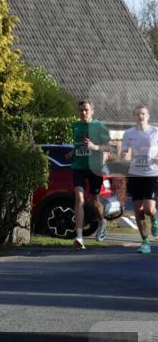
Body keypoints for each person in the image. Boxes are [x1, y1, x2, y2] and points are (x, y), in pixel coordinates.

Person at [68, 101, 114, 249]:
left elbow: (109, 146)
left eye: (86, 110)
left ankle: (102, 221)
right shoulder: (75, 126)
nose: (83, 113)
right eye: (81, 110)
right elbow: (79, 146)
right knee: (79, 198)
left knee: (95, 201)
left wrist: (95, 147)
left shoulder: (99, 126)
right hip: (79, 167)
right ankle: (79, 237)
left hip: (95, 168)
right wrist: (72, 152)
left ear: (92, 111)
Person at [119, 104, 158, 254]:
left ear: (148, 116)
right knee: (138, 209)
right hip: (135, 174)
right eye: (137, 114)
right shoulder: (128, 133)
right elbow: (124, 151)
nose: (140, 117)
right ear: (134, 117)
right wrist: (122, 156)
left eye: (143, 114)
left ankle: (155, 218)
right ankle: (145, 242)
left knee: (148, 209)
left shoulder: (156, 131)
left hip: (152, 174)